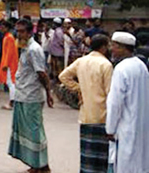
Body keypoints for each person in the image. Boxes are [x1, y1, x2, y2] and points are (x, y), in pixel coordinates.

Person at [58, 34, 112, 173]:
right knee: (101, 158)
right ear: (104, 47)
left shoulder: (81, 61)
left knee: (87, 157)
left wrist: (79, 88)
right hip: (102, 116)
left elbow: (63, 76)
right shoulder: (106, 65)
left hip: (85, 115)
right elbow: (110, 93)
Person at [8, 19, 53, 173]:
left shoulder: (34, 49)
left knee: (35, 131)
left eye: (21, 31)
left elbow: (42, 73)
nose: (18, 34)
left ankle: (44, 165)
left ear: (29, 32)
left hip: (32, 96)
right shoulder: (25, 48)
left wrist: (48, 93)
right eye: (17, 31)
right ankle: (35, 164)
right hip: (23, 94)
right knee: (26, 131)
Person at [105, 31, 149, 173]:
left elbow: (115, 102)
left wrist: (110, 128)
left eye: (114, 46)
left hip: (126, 126)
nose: (111, 49)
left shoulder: (121, 68)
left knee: (125, 164)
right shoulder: (141, 66)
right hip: (141, 125)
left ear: (123, 48)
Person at [0, 21, 18, 110]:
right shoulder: (7, 37)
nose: (1, 29)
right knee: (11, 82)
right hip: (9, 63)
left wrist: (5, 64)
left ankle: (12, 102)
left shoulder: (9, 38)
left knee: (11, 82)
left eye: (2, 27)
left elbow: (9, 53)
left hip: (10, 64)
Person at [49, 18, 66, 82]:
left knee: (58, 65)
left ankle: (59, 79)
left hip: (58, 52)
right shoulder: (56, 30)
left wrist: (62, 47)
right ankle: (56, 77)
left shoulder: (58, 31)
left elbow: (61, 41)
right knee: (55, 65)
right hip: (55, 51)